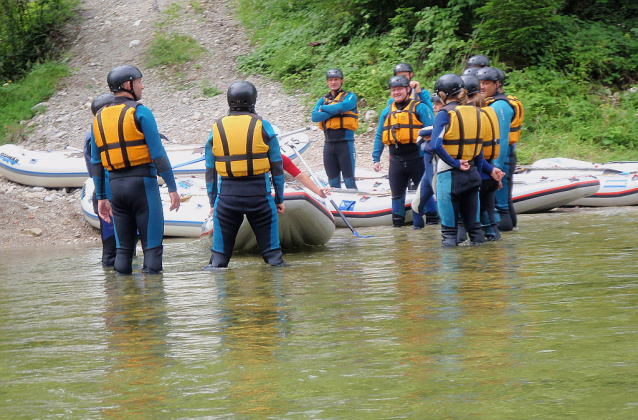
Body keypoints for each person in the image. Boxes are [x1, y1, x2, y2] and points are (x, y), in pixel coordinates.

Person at [91, 65, 180, 274]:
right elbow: (158, 153)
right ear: (128, 84)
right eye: (140, 81)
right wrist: (172, 187)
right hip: (143, 186)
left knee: (123, 251)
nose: (142, 86)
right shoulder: (140, 112)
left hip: (115, 188)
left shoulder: (99, 118)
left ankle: (125, 304)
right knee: (152, 250)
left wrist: (102, 197)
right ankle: (152, 302)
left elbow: (97, 162)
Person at [204, 81, 286, 269]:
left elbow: (210, 170)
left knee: (218, 261)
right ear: (253, 100)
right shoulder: (263, 125)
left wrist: (212, 202)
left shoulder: (216, 127)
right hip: (260, 198)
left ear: (229, 101)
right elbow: (277, 167)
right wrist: (279, 198)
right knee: (274, 259)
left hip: (226, 200)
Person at [431, 73, 490, 246]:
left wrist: (455, 163)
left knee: (449, 234)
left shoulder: (444, 114)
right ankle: (484, 271)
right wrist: (476, 175)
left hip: (449, 177)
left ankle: (451, 273)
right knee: (475, 230)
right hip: (472, 176)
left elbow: (435, 145)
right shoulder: (477, 113)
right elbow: (479, 151)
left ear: (442, 94)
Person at [372, 75, 434, 227]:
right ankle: (398, 229)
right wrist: (376, 158)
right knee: (397, 195)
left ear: (408, 89)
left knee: (426, 192)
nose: (396, 93)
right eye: (393, 90)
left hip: (418, 158)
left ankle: (433, 223)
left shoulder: (420, 107)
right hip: (396, 159)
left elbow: (432, 132)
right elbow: (380, 134)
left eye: (399, 89)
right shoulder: (387, 111)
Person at [476, 67, 523, 232]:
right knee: (505, 202)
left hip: (502, 158)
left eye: (486, 83)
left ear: (497, 84)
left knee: (500, 204)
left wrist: (495, 167)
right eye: (479, 83)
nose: (481, 87)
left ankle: (501, 239)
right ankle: (510, 236)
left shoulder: (500, 106)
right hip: (503, 158)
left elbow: (502, 140)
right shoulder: (494, 103)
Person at [462, 74, 504, 240]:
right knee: (488, 223)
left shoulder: (470, 116)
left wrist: (490, 169)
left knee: (474, 222)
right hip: (489, 172)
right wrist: (494, 169)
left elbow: (477, 151)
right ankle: (495, 258)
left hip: (480, 172)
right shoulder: (488, 111)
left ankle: (479, 259)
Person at [311, 69, 359, 189]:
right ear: (327, 82)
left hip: (345, 143)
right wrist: (336, 111)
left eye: (336, 79)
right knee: (332, 181)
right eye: (331, 80)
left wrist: (324, 109)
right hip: (328, 144)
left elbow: (343, 107)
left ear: (341, 81)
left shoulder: (350, 97)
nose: (333, 82)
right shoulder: (323, 100)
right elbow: (315, 116)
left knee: (349, 180)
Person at [83, 93, 116, 267]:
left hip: (112, 190)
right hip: (105, 193)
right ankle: (113, 288)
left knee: (125, 248)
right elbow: (97, 167)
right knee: (111, 254)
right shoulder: (94, 136)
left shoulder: (101, 132)